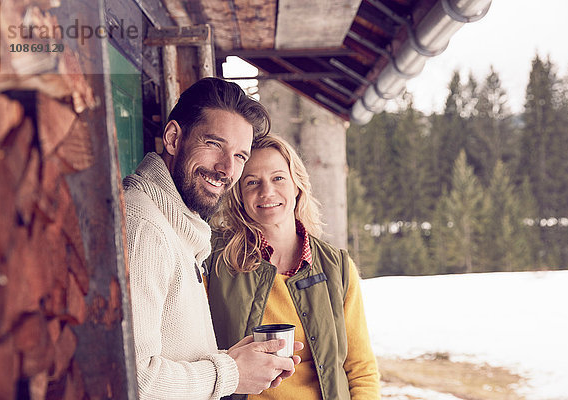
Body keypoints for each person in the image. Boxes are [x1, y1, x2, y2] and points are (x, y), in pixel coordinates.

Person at [123, 78, 302, 400]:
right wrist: (230, 373)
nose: (226, 169)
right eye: (214, 144)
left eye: (240, 156)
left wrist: (234, 361)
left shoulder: (176, 228)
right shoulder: (144, 228)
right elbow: (134, 381)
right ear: (174, 138)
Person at [205, 135, 380, 399]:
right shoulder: (214, 260)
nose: (267, 192)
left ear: (297, 185)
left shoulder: (337, 268)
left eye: (278, 178)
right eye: (252, 182)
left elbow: (361, 370)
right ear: (239, 194)